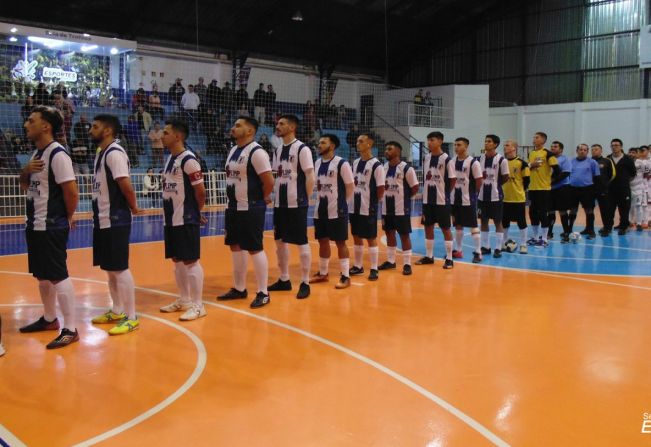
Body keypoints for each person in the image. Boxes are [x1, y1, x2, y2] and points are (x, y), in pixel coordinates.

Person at [18, 106, 79, 349]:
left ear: (46, 126)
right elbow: (26, 187)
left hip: (51, 224)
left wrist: (67, 216)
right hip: (35, 224)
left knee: (57, 275)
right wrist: (25, 171)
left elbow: (71, 192)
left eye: (31, 121)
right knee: (43, 276)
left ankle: (71, 329)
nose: (26, 124)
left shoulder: (57, 154)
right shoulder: (37, 154)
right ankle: (49, 319)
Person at [89, 114, 142, 335]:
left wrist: (134, 206)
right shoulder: (101, 153)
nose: (90, 130)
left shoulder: (115, 153)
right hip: (102, 217)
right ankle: (117, 309)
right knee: (110, 269)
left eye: (95, 126)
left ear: (108, 130)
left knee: (120, 268)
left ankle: (131, 316)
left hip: (115, 218)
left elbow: (125, 184)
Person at [217, 117, 274, 309]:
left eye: (238, 125)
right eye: (234, 124)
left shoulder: (257, 152)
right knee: (235, 245)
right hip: (232, 207)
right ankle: (239, 288)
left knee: (254, 247)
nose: (233, 127)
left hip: (251, 207)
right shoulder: (233, 150)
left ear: (250, 131)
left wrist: (261, 198)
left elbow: (269, 182)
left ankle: (263, 292)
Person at [158, 119, 207, 320]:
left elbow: (200, 191)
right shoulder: (170, 159)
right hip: (170, 219)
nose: (162, 135)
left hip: (185, 218)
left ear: (178, 136)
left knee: (191, 261)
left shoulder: (189, 159)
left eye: (166, 132)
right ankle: (184, 299)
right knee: (177, 260)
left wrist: (196, 212)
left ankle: (198, 305)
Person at [267, 115, 315, 299]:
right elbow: (276, 175)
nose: (277, 126)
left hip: (297, 203)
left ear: (292, 127)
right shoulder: (278, 150)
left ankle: (305, 282)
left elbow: (310, 176)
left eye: (282, 123)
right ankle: (284, 279)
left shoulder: (302, 149)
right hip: (280, 204)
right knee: (279, 242)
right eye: (277, 123)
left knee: (301, 241)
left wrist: (305, 198)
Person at [310, 134, 354, 288]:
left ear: (332, 146)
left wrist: (343, 203)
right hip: (320, 209)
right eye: (319, 142)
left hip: (337, 209)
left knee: (340, 242)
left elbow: (350, 186)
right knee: (322, 241)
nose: (319, 145)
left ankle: (346, 276)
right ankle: (323, 273)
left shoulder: (342, 163)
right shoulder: (316, 163)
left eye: (323, 142)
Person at [378, 141, 419, 275]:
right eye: (386, 149)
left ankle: (407, 264)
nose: (386, 151)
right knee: (389, 233)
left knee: (404, 235)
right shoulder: (383, 168)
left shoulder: (406, 169)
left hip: (401, 209)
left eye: (389, 149)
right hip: (386, 209)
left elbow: (415, 188)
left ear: (398, 151)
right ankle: (391, 261)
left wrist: (404, 198)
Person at [416, 131, 456, 268]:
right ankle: (429, 256)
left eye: (432, 140)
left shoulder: (447, 159)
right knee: (428, 227)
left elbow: (452, 180)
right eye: (428, 140)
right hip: (427, 200)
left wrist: (445, 193)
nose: (429, 143)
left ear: (440, 141)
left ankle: (450, 258)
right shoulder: (426, 158)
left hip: (441, 200)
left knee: (445, 228)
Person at [349, 134, 385, 281]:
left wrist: (373, 203)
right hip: (354, 207)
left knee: (371, 238)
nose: (358, 143)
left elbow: (381, 188)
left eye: (361, 141)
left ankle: (374, 268)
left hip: (368, 206)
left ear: (369, 144)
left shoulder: (376, 165)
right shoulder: (355, 162)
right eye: (357, 141)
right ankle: (358, 266)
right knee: (356, 236)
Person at [450, 137, 483, 263]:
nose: (456, 147)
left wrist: (473, 194)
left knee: (473, 225)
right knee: (458, 225)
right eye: (455, 145)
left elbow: (479, 180)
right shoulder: (452, 161)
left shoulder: (473, 162)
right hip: (454, 199)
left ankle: (478, 252)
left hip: (468, 199)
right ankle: (458, 250)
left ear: (466, 146)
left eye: (459, 145)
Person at [477, 134, 509, 258]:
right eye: (485, 141)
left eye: (489, 141)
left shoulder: (502, 160)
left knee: (497, 222)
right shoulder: (480, 158)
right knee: (483, 221)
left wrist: (495, 185)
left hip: (495, 196)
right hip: (482, 196)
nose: (486, 143)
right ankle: (486, 246)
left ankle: (498, 248)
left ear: (495, 144)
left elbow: (505, 177)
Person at [527, 132, 560, 247]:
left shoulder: (548, 153)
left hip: (544, 189)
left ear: (543, 140)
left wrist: (551, 181)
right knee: (532, 213)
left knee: (542, 213)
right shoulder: (531, 153)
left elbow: (558, 170)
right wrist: (531, 165)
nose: (534, 139)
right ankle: (535, 237)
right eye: (534, 137)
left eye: (537, 137)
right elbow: (528, 169)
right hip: (532, 188)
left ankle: (545, 239)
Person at [501, 140, 530, 254]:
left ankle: (523, 244)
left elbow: (527, 180)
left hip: (518, 198)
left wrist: (520, 190)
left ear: (514, 148)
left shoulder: (522, 163)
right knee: (504, 221)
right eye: (504, 145)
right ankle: (503, 242)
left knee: (521, 222)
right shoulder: (502, 162)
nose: (505, 147)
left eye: (507, 145)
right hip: (504, 198)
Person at [567, 144, 600, 237]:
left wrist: (595, 191)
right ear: (577, 151)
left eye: (585, 150)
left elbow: (596, 177)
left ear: (587, 152)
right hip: (573, 189)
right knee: (572, 210)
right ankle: (568, 230)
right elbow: (568, 174)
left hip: (587, 189)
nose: (582, 151)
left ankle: (590, 230)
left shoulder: (592, 162)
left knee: (589, 210)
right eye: (581, 149)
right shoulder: (571, 161)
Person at [607, 138, 636, 235]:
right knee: (609, 210)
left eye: (616, 145)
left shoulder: (628, 159)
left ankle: (623, 227)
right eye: (612, 145)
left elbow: (633, 174)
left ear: (621, 147)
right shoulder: (607, 159)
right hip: (610, 190)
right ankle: (608, 227)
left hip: (624, 190)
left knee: (624, 210)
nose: (614, 147)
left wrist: (623, 182)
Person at [548, 141, 572, 242]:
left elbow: (566, 173)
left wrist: (552, 181)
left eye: (555, 147)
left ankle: (566, 232)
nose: (553, 148)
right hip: (549, 189)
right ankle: (549, 233)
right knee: (550, 211)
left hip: (562, 188)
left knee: (562, 211)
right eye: (552, 146)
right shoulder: (548, 159)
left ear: (561, 149)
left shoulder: (565, 159)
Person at [591, 144, 616, 236]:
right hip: (590, 189)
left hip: (603, 190)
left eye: (596, 149)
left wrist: (605, 184)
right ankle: (589, 228)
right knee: (589, 210)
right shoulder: (588, 161)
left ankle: (607, 228)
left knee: (605, 210)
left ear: (601, 151)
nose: (594, 151)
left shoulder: (607, 161)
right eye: (592, 149)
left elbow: (612, 174)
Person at [629, 147, 650, 231]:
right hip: (628, 187)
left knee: (638, 206)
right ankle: (629, 221)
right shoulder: (626, 161)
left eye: (634, 152)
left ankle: (639, 223)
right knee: (629, 206)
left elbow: (647, 172)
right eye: (630, 152)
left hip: (638, 188)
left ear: (638, 154)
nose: (631, 154)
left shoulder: (641, 162)